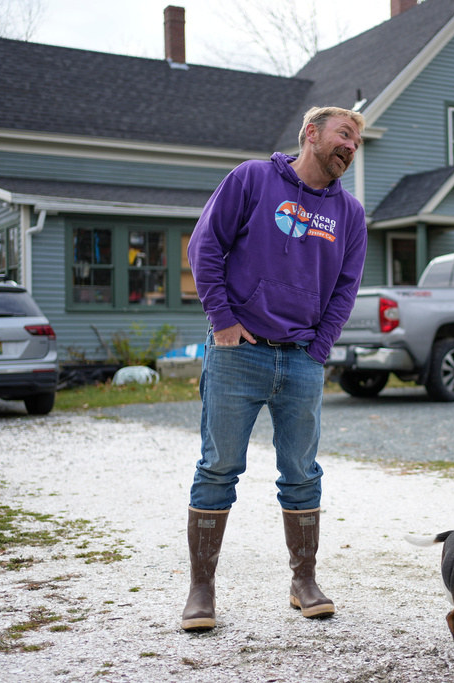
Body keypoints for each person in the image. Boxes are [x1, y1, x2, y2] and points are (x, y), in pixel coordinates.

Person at [181, 106, 368, 631]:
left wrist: (320, 347)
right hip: (239, 354)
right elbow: (205, 247)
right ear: (311, 134)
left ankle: (303, 580)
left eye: (358, 141)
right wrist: (222, 322)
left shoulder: (350, 214)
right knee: (218, 470)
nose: (352, 146)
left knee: (303, 474)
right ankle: (201, 591)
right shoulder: (253, 179)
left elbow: (345, 288)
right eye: (344, 134)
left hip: (302, 361)